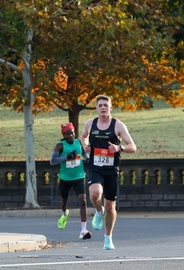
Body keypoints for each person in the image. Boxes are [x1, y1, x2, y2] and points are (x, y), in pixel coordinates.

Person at [80, 95, 136, 251]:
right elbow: (83, 136)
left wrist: (120, 148)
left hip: (111, 170)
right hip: (95, 167)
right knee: (94, 194)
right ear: (96, 108)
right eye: (100, 105)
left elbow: (132, 146)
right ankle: (99, 211)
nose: (103, 107)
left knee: (110, 206)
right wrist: (85, 146)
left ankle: (108, 237)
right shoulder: (90, 124)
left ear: (111, 108)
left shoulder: (118, 125)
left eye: (106, 105)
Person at [49, 122, 91, 239]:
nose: (70, 136)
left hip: (79, 177)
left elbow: (83, 152)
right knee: (64, 201)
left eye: (72, 133)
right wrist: (67, 157)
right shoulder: (60, 146)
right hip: (65, 179)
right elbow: (52, 161)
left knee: (83, 201)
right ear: (64, 135)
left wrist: (86, 159)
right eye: (67, 134)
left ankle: (83, 230)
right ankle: (64, 213)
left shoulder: (78, 142)